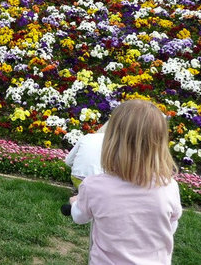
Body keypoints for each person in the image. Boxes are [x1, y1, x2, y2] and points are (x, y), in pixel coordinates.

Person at [69, 100, 182, 265]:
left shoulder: (94, 186)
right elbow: (171, 225)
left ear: (111, 141)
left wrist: (74, 203)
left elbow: (79, 217)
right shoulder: (168, 186)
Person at [64, 123, 106, 189]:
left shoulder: (87, 137)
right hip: (97, 183)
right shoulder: (111, 143)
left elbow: (68, 161)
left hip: (77, 178)